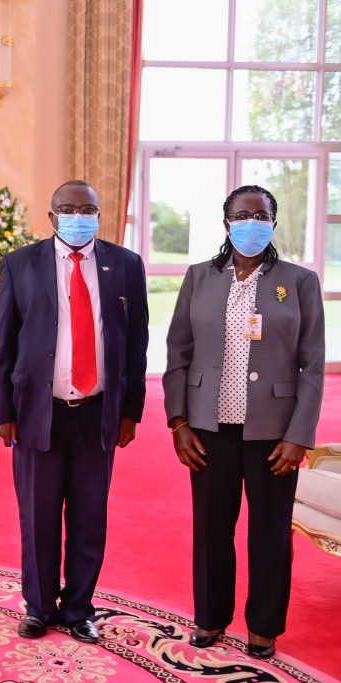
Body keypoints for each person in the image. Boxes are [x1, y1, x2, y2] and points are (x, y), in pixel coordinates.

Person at [163, 185, 324, 660]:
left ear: (273, 223)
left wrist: (299, 435)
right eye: (242, 214)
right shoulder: (199, 278)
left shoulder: (298, 281)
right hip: (208, 428)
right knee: (212, 529)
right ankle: (211, 618)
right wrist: (179, 421)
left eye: (261, 215)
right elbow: (178, 352)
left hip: (274, 433)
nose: (251, 222)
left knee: (270, 533)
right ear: (226, 222)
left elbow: (312, 365)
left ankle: (264, 626)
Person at [0, 179, 148, 644]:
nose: (79, 217)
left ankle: (79, 607)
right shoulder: (21, 263)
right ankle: (38, 606)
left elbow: (136, 343)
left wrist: (130, 411)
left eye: (89, 209)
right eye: (68, 209)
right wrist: (4, 409)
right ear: (51, 215)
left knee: (88, 517)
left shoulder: (125, 264)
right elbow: (4, 342)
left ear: (100, 214)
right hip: (39, 410)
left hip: (97, 412)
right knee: (37, 517)